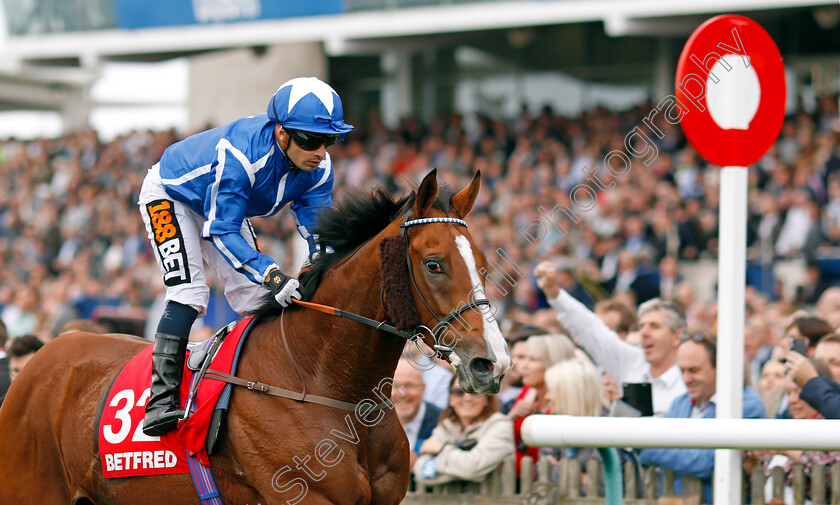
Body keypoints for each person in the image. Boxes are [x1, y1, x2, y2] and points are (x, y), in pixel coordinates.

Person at [138, 76, 354, 436]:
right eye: (310, 140)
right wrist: (273, 274)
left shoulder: (319, 169)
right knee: (189, 293)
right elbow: (221, 230)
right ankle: (160, 398)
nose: (320, 151)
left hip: (219, 205)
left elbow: (320, 236)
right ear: (281, 133)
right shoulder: (241, 156)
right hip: (171, 195)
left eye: (329, 140)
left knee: (255, 298)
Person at [534, 260, 687, 416]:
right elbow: (591, 329)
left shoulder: (689, 381)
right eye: (642, 326)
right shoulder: (632, 362)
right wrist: (554, 292)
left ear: (676, 336)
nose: (644, 333)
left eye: (654, 326)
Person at [638, 330, 766, 504]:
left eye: (694, 370)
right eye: (682, 370)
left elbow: (706, 462)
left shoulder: (746, 403)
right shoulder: (680, 403)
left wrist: (648, 447)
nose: (686, 378)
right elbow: (694, 456)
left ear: (721, 367)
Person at [413, 377, 514, 486]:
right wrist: (464, 470)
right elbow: (420, 469)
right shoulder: (446, 427)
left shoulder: (500, 426)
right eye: (459, 392)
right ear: (451, 399)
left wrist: (441, 449)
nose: (467, 398)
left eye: (475, 391)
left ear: (486, 399)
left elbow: (473, 468)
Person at [508, 334, 576, 473]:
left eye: (532, 359)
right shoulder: (527, 393)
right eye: (524, 358)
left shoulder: (563, 404)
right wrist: (509, 418)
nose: (523, 365)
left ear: (552, 364)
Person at [393, 357, 443, 469]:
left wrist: (418, 464)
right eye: (395, 386)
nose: (402, 393)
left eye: (409, 385)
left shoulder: (442, 421)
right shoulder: (372, 423)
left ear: (423, 389)